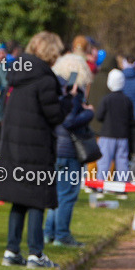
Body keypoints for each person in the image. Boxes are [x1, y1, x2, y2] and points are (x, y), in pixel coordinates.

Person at [0, 31, 67, 269]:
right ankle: (36, 253)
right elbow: (54, 115)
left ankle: (11, 250)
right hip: (36, 146)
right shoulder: (45, 80)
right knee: (36, 200)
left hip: (13, 145)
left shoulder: (16, 74)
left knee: (18, 200)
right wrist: (69, 101)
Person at [43, 73, 95, 247]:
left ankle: (49, 232)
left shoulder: (52, 94)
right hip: (69, 151)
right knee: (67, 195)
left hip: (57, 149)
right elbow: (69, 121)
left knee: (58, 194)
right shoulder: (70, 96)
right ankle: (62, 235)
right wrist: (88, 113)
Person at [94, 69, 133, 182]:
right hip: (122, 135)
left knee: (104, 162)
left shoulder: (106, 99)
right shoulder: (127, 100)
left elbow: (99, 116)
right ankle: (121, 187)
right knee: (122, 163)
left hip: (107, 134)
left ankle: (100, 186)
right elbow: (131, 118)